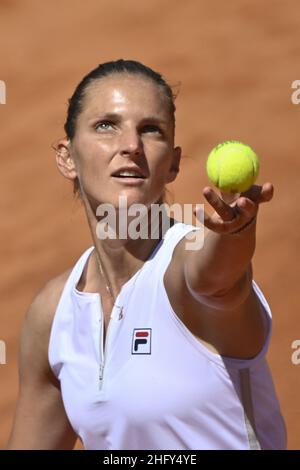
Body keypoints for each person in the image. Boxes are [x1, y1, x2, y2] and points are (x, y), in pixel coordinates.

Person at [7, 59, 286, 450]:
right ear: (67, 157)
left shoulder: (185, 268)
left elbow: (217, 276)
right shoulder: (54, 315)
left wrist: (235, 233)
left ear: (172, 163)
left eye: (150, 130)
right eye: (107, 125)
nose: (131, 146)